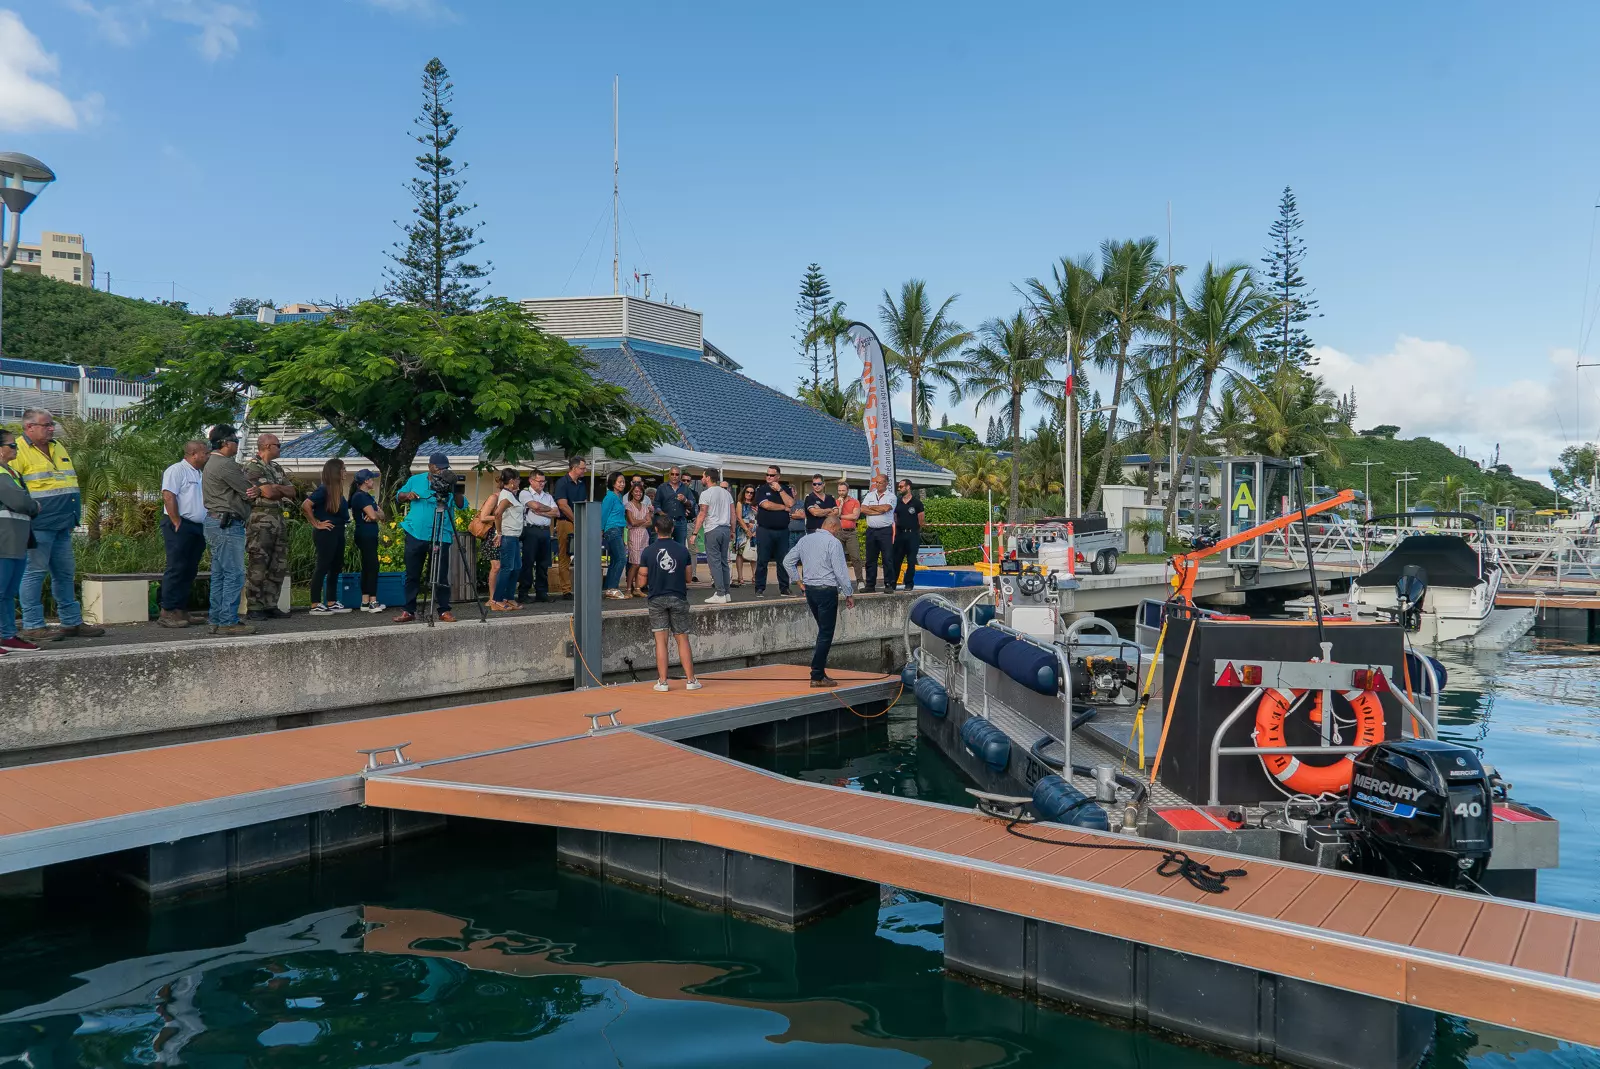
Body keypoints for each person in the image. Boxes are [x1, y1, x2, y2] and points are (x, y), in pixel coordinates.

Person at [15, 409, 104, 641]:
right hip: (38, 525)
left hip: (63, 523)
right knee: (34, 573)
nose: (51, 428)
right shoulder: (17, 450)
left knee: (64, 574)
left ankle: (71, 622)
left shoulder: (58, 447)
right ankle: (33, 625)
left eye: (52, 424)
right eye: (46, 425)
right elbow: (13, 489)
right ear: (29, 427)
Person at [784, 513, 856, 687]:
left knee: (822, 631)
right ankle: (816, 675)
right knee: (826, 633)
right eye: (838, 530)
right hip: (826, 590)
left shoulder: (805, 540)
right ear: (832, 526)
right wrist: (848, 593)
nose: (838, 533)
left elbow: (787, 561)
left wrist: (799, 582)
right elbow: (840, 571)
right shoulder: (833, 542)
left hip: (810, 590)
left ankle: (820, 672)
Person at [200, 424, 259, 636]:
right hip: (227, 524)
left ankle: (216, 619)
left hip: (215, 522)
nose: (237, 444)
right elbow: (247, 491)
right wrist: (256, 490)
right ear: (225, 443)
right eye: (235, 440)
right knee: (234, 573)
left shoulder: (210, 463)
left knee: (220, 574)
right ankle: (228, 621)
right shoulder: (225, 464)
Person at [393, 452, 457, 623]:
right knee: (412, 573)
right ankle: (409, 610)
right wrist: (408, 495)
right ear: (430, 466)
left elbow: (460, 504)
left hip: (441, 534)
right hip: (416, 532)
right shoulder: (416, 480)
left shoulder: (448, 483)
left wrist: (454, 487)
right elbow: (399, 496)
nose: (441, 471)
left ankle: (444, 610)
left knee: (440, 574)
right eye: (438, 468)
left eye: (445, 468)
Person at [241, 432, 299, 621]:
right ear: (267, 446)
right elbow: (269, 493)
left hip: (278, 519)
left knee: (278, 563)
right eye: (277, 445)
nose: (280, 448)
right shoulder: (252, 466)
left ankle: (270, 604)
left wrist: (275, 488)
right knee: (259, 562)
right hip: (260, 519)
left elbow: (292, 491)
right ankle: (255, 606)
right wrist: (275, 489)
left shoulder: (276, 467)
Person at [644, 512, 701, 693]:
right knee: (682, 639)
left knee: (661, 641)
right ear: (673, 529)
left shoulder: (648, 551)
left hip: (656, 598)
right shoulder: (682, 550)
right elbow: (688, 578)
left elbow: (642, 579)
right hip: (678, 596)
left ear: (656, 529)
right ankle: (691, 680)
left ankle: (662, 682)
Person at [157, 439, 209, 628]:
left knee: (190, 569)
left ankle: (180, 609)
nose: (207, 456)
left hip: (197, 526)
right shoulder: (176, 470)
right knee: (176, 567)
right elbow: (168, 495)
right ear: (194, 454)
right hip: (180, 525)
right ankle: (167, 610)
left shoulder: (199, 473)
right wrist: (176, 520)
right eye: (205, 453)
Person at [0, 429, 41, 653]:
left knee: (7, 592)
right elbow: (21, 502)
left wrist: (29, 504)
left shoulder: (11, 472)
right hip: (4, 540)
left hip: (16, 540)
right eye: (12, 445)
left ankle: (7, 635)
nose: (16, 448)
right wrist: (34, 506)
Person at [302, 458, 352, 615]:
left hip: (338, 531)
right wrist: (316, 523)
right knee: (323, 566)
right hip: (326, 532)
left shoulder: (337, 492)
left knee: (336, 566)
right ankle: (315, 603)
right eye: (343, 469)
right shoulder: (323, 490)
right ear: (336, 472)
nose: (345, 472)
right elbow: (306, 505)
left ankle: (331, 601)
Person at [750, 465, 795, 598]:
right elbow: (766, 505)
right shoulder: (761, 489)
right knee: (762, 560)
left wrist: (780, 490)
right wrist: (783, 507)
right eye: (767, 474)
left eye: (772, 475)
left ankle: (784, 588)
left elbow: (791, 503)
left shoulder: (786, 489)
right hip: (765, 530)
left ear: (778, 476)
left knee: (783, 561)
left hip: (782, 531)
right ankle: (759, 588)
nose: (769, 477)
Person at [692, 467, 734, 604]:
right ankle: (726, 593)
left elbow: (702, 513)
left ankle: (720, 593)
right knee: (724, 562)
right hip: (725, 529)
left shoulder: (705, 494)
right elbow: (733, 514)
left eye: (703, 476)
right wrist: (733, 531)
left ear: (708, 478)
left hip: (712, 529)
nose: (702, 479)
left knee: (714, 563)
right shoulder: (727, 493)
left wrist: (694, 533)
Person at [551, 456, 588, 600]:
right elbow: (562, 505)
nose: (584, 470)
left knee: (582, 554)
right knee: (565, 554)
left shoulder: (581, 484)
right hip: (566, 521)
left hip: (579, 521)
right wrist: (576, 519)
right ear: (574, 468)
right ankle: (566, 589)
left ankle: (582, 586)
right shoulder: (562, 482)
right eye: (582, 468)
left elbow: (584, 502)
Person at [348, 469, 385, 613]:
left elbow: (381, 514)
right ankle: (372, 601)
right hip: (365, 534)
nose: (373, 481)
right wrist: (375, 514)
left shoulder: (367, 496)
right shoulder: (360, 496)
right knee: (373, 566)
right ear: (365, 481)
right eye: (371, 479)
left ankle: (365, 601)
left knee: (368, 566)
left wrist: (375, 514)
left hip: (368, 534)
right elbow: (374, 516)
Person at [489, 468, 524, 611]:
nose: (519, 482)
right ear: (512, 481)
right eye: (518, 479)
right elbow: (497, 514)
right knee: (507, 568)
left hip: (514, 536)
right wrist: (499, 532)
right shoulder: (506, 496)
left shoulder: (511, 495)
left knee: (516, 567)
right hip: (508, 536)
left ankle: (509, 597)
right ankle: (497, 599)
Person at [860, 473, 896, 593]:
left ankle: (889, 584)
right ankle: (870, 585)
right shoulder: (870, 495)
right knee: (870, 559)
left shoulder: (891, 496)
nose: (878, 484)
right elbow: (863, 509)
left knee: (887, 558)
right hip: (871, 530)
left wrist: (871, 507)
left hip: (885, 531)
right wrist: (878, 510)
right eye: (876, 482)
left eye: (880, 482)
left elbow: (886, 508)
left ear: (886, 483)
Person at [890, 477, 926, 591]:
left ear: (908, 487)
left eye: (901, 486)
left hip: (912, 535)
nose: (899, 488)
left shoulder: (917, 503)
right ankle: (892, 583)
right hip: (900, 535)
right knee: (896, 560)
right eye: (899, 487)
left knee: (911, 560)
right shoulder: (897, 502)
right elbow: (895, 517)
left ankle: (909, 583)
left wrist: (914, 529)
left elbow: (921, 520)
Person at [602, 472, 629, 600]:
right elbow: (603, 514)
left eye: (623, 482)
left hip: (618, 529)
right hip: (612, 529)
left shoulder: (619, 496)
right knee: (621, 558)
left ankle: (610, 588)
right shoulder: (610, 497)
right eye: (619, 482)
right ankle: (612, 588)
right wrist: (600, 530)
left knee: (614, 560)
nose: (622, 484)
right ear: (613, 483)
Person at [624, 478, 653, 597]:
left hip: (644, 536)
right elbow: (632, 522)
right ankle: (628, 589)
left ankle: (637, 588)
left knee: (640, 564)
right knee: (635, 563)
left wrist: (639, 521)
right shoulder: (629, 505)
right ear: (632, 492)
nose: (638, 493)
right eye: (636, 491)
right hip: (634, 536)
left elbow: (650, 522)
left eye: (640, 492)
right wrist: (643, 520)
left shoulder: (644, 506)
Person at [835, 478, 865, 587]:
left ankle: (860, 581)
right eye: (839, 490)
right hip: (838, 532)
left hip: (851, 533)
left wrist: (841, 516)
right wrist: (841, 505)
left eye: (843, 490)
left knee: (856, 557)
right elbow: (835, 515)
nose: (841, 493)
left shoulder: (855, 502)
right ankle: (840, 582)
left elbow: (855, 516)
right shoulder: (836, 502)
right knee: (838, 558)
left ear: (847, 490)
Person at [733, 484, 757, 588]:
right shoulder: (740, 503)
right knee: (740, 554)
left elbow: (758, 517)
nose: (749, 494)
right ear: (744, 492)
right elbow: (738, 518)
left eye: (751, 492)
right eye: (747, 492)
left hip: (754, 530)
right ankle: (740, 577)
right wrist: (747, 530)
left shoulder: (756, 504)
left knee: (753, 553)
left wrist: (755, 530)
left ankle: (755, 576)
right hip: (742, 530)